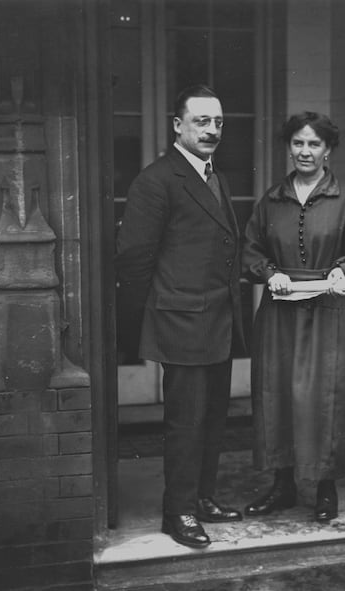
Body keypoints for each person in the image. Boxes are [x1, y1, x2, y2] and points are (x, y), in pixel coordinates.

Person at [115, 84, 245, 548]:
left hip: (218, 320)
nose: (212, 130)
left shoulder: (215, 176)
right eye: (201, 121)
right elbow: (134, 259)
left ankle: (202, 497)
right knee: (186, 423)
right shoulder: (156, 181)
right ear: (178, 126)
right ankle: (179, 512)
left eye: (218, 122)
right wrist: (144, 324)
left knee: (212, 418)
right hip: (182, 320)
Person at [241, 111, 345, 523]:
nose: (305, 151)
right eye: (298, 142)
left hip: (328, 312)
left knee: (326, 398)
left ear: (328, 150)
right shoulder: (272, 199)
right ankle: (282, 485)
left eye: (314, 143)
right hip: (280, 314)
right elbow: (251, 250)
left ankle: (325, 488)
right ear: (288, 147)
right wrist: (270, 274)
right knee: (277, 393)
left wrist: (342, 272)